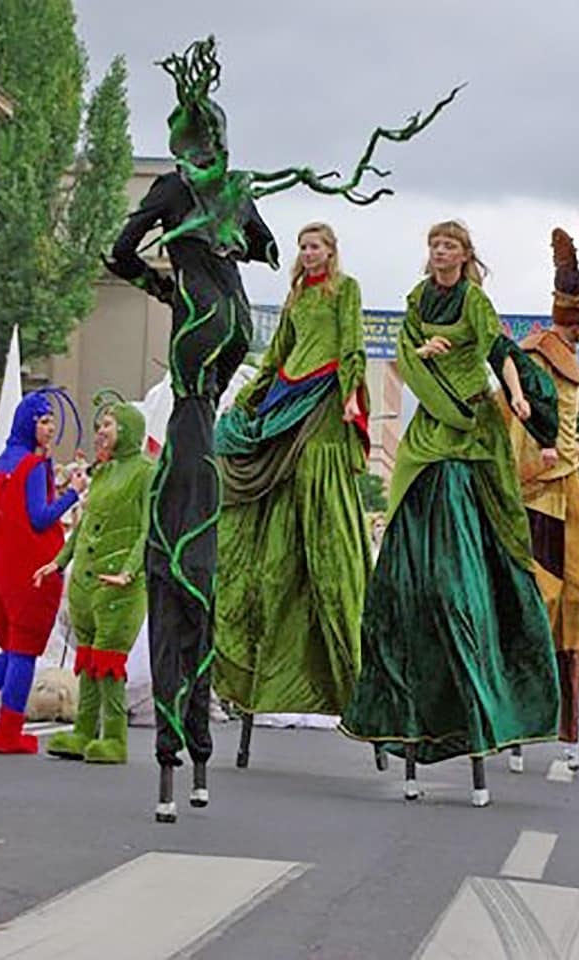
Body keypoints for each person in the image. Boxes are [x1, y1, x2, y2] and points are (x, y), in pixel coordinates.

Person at [105, 46, 278, 821]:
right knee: (198, 435)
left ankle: (184, 752)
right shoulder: (224, 188)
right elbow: (266, 249)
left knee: (189, 437)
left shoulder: (178, 187)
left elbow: (118, 252)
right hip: (228, 332)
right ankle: (192, 752)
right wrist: (224, 247)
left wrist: (165, 284)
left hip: (196, 340)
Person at [340, 221, 560, 807]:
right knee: (410, 590)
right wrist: (422, 351)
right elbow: (409, 355)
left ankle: (489, 711)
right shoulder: (418, 300)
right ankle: (406, 716)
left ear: (465, 256)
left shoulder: (475, 300)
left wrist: (514, 394)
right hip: (429, 433)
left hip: (471, 434)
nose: (440, 253)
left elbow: (498, 351)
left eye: (451, 246)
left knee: (462, 591)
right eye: (435, 245)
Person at [214, 223, 373, 761]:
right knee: (253, 475)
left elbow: (350, 342)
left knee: (320, 501)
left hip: (325, 402)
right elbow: (278, 352)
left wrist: (352, 395)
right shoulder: (296, 295)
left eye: (317, 246)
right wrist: (250, 397)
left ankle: (355, 679)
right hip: (288, 396)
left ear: (331, 251)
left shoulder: (343, 291)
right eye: (303, 247)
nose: (308, 254)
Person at [510, 228, 579, 771]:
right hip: (538, 495)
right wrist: (532, 462)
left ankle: (567, 730)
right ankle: (521, 727)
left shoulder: (574, 359)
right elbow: (516, 419)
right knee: (538, 607)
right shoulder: (536, 356)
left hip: (572, 489)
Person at [0, 391, 84, 755]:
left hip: (0, 570)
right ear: (29, 424)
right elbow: (40, 518)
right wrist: (72, 494)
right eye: (44, 421)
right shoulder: (34, 466)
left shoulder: (2, 464)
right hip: (32, 570)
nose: (50, 428)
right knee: (24, 651)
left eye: (52, 422)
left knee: (13, 647)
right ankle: (9, 733)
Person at [39, 398, 153, 765]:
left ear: (128, 429)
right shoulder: (102, 473)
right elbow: (84, 528)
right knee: (87, 662)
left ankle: (115, 738)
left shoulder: (144, 471)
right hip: (86, 585)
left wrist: (129, 571)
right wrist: (57, 562)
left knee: (109, 663)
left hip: (118, 586)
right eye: (101, 424)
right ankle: (83, 732)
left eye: (107, 424)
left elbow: (148, 531)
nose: (100, 431)